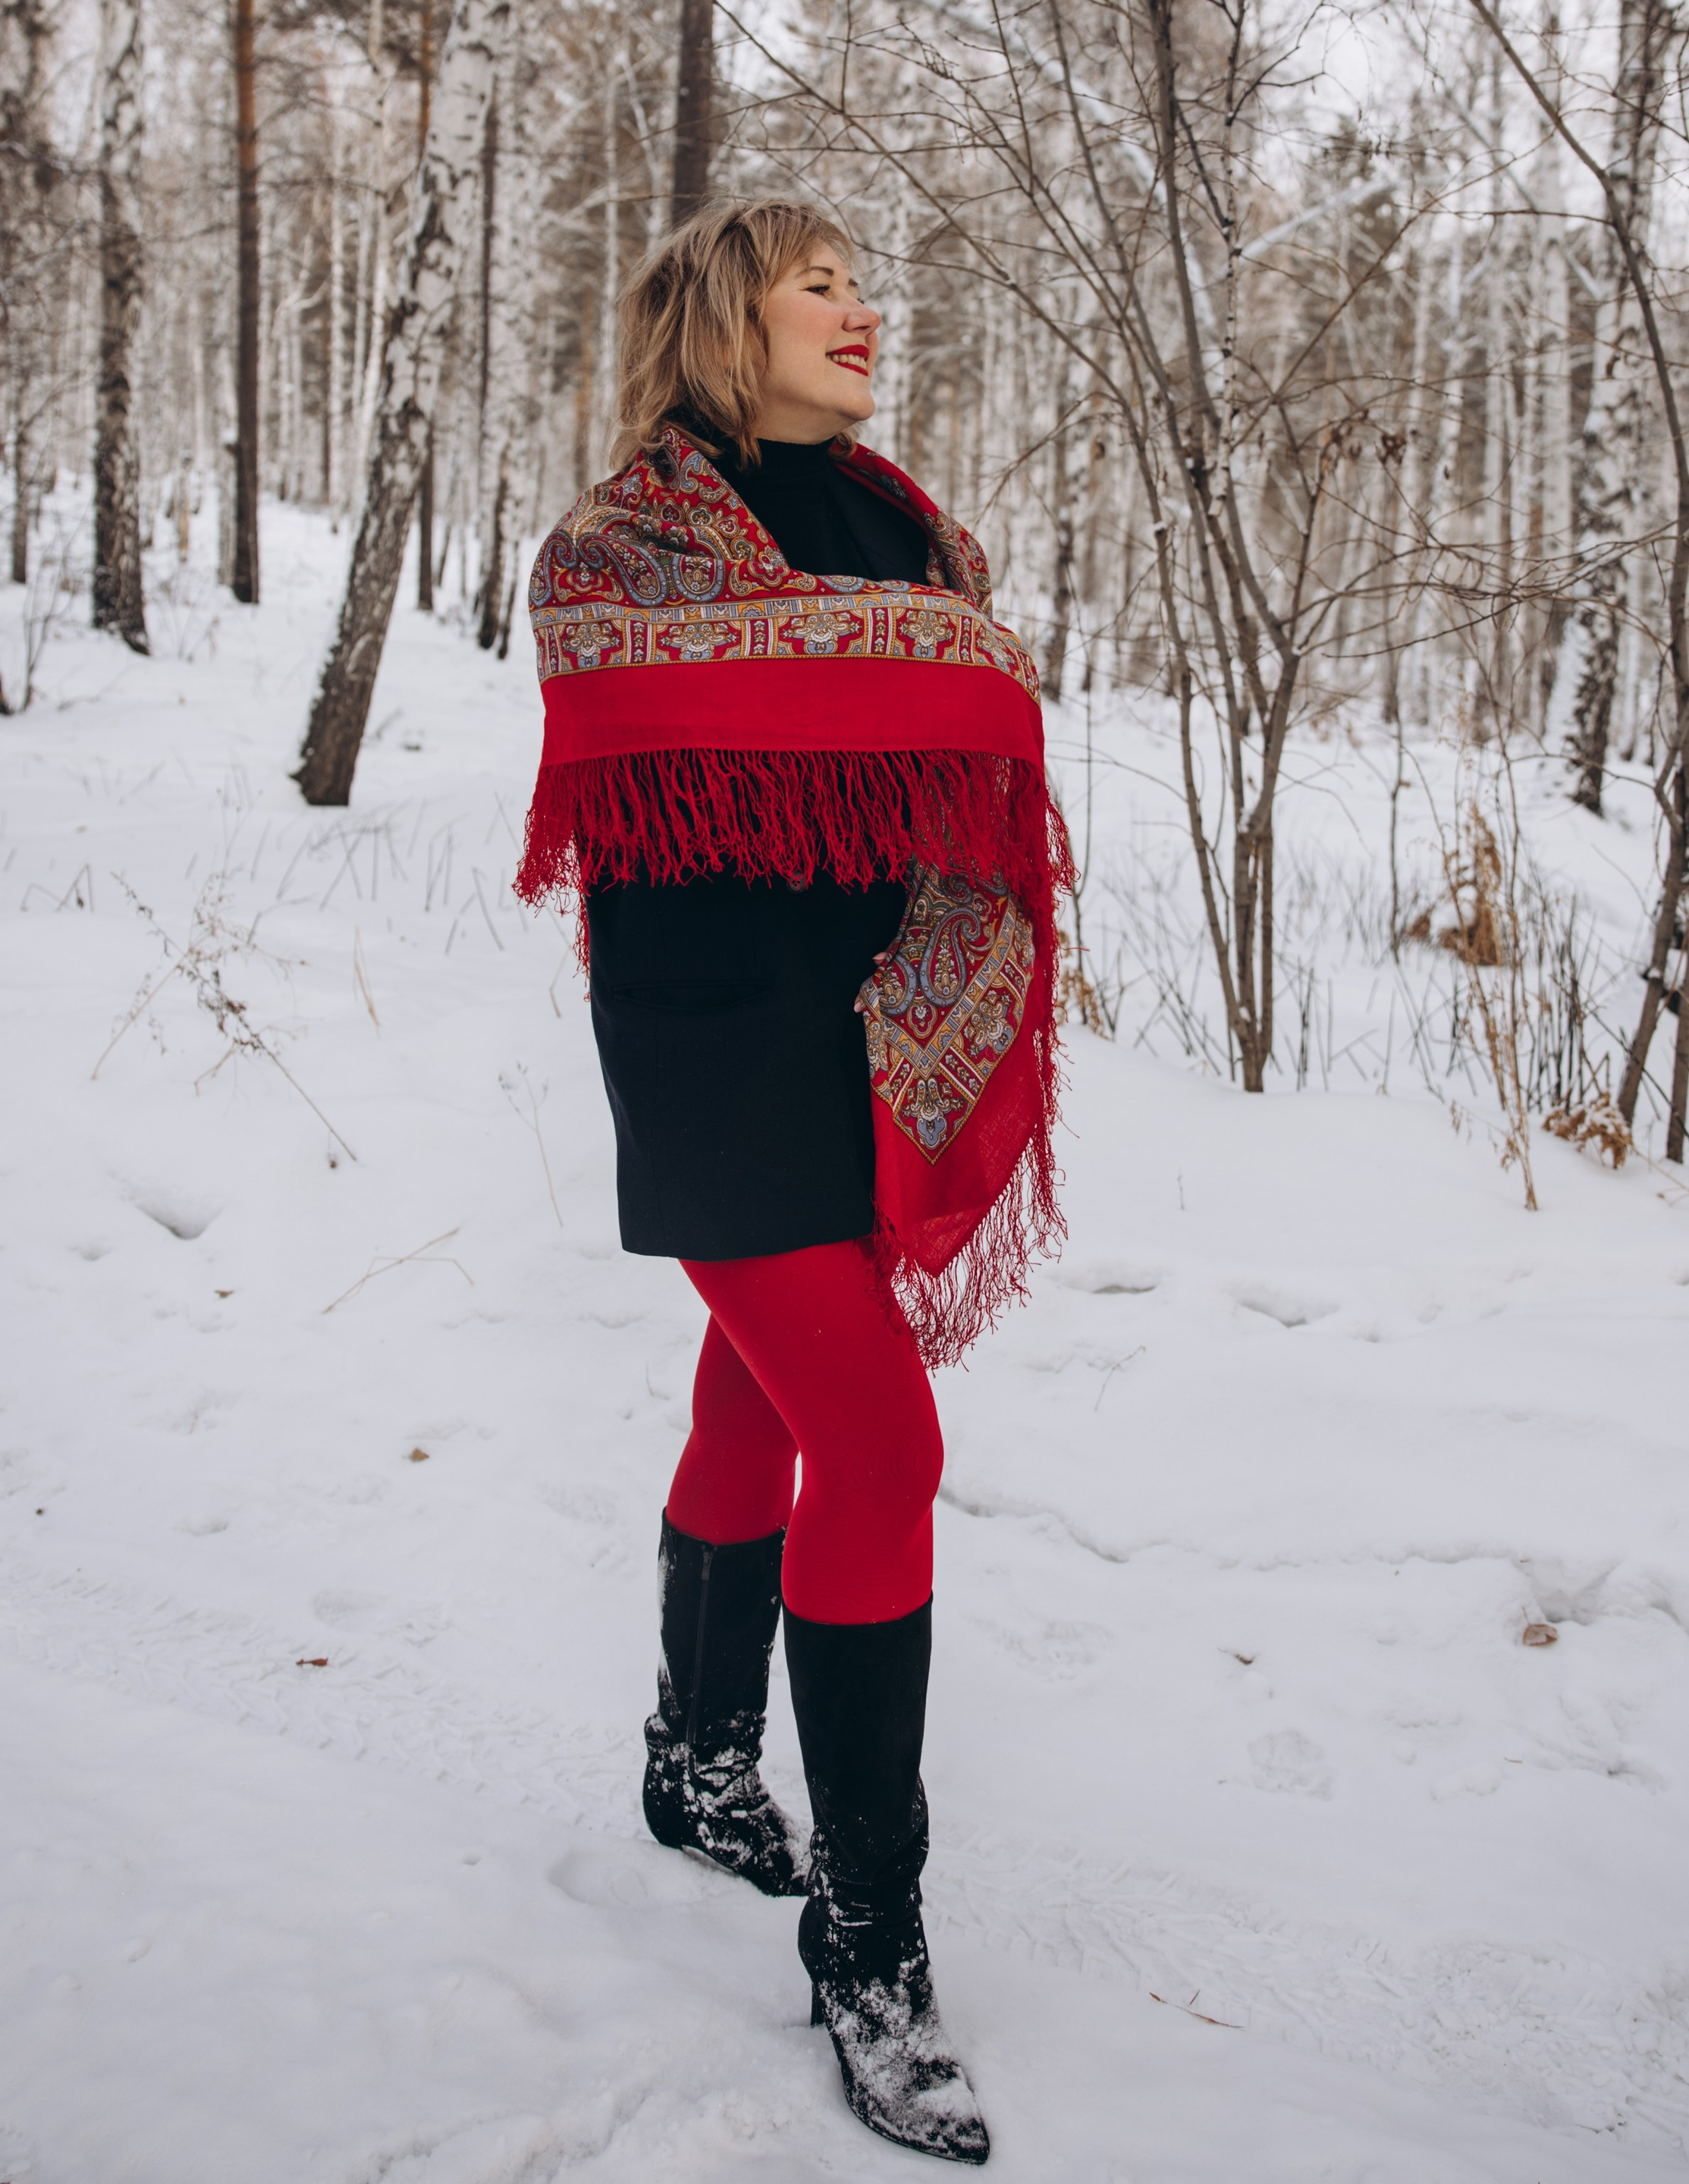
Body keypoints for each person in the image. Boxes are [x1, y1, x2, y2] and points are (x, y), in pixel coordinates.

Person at [516, 199, 1070, 2164]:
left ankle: (693, 1756)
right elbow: (645, 718)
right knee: (884, 1442)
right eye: (816, 280)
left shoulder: (911, 534)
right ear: (717, 318)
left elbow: (955, 734)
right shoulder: (627, 542)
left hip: (864, 1032)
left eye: (862, 280)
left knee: (752, 1392)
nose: (859, 306)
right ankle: (871, 1943)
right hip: (707, 1040)